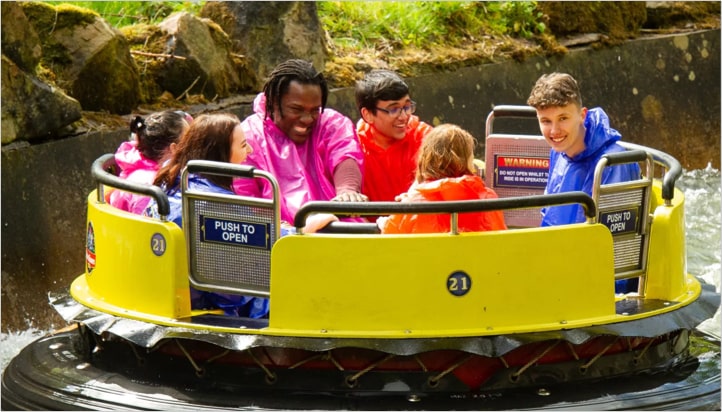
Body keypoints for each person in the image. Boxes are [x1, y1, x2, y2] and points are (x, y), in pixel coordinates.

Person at [145, 113, 269, 318]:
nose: (250, 150)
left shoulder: (171, 181)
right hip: (209, 300)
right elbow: (264, 239)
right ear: (219, 154)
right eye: (243, 145)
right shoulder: (218, 203)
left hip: (171, 288)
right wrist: (302, 228)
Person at [527, 72, 640, 293]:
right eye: (546, 121)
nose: (554, 131)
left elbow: (617, 250)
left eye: (563, 118)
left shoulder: (612, 164)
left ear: (582, 114)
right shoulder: (558, 152)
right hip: (558, 270)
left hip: (596, 287)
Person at [231, 59, 367, 227]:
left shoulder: (331, 123)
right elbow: (244, 195)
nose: (307, 119)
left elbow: (345, 153)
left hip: (338, 229)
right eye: (296, 109)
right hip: (281, 240)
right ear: (274, 101)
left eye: (314, 110)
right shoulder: (248, 136)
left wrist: (347, 190)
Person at [377, 124, 507, 234]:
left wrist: (384, 222)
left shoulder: (413, 204)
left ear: (426, 158)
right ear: (467, 161)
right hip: (474, 264)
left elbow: (390, 232)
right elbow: (500, 239)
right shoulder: (488, 199)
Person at [354, 70, 433, 209]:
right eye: (393, 109)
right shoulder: (352, 147)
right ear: (367, 115)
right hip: (370, 228)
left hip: (420, 225)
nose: (404, 116)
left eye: (407, 107)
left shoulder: (425, 137)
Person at [108, 110, 191, 214]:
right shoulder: (154, 185)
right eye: (188, 142)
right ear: (174, 148)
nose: (191, 147)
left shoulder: (135, 165)